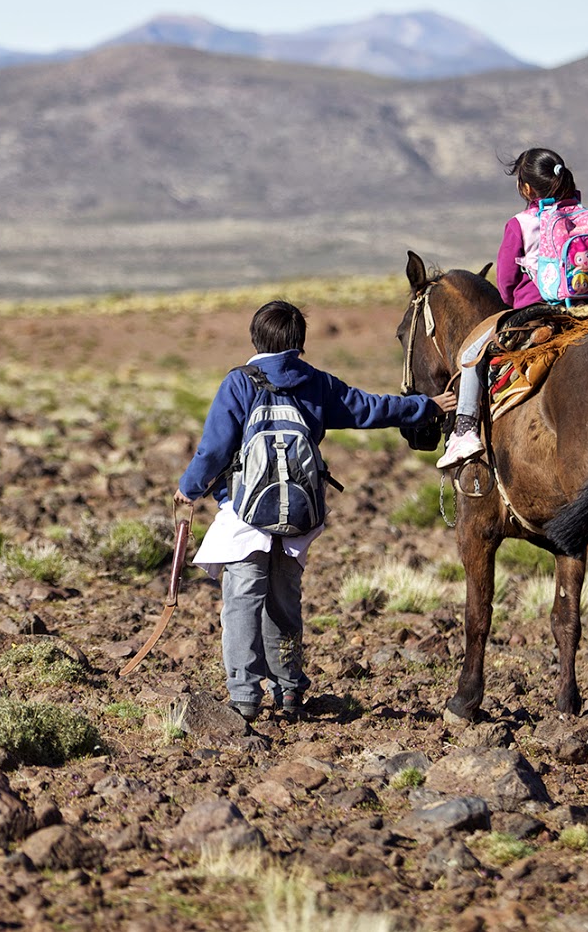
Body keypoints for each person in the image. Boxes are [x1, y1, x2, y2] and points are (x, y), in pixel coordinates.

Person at [174, 300, 456, 722]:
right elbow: (371, 409)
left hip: (244, 519)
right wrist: (428, 406)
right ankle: (288, 691)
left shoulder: (238, 383)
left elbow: (213, 450)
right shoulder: (317, 383)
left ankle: (245, 696)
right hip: (298, 519)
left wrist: (188, 490)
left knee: (242, 603)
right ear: (299, 344)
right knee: (286, 605)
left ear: (256, 338)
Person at [436, 147, 588, 469]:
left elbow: (506, 278)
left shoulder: (521, 223)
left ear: (526, 188)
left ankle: (464, 431)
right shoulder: (582, 214)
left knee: (470, 356)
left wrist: (509, 304)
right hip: (583, 307)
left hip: (533, 310)